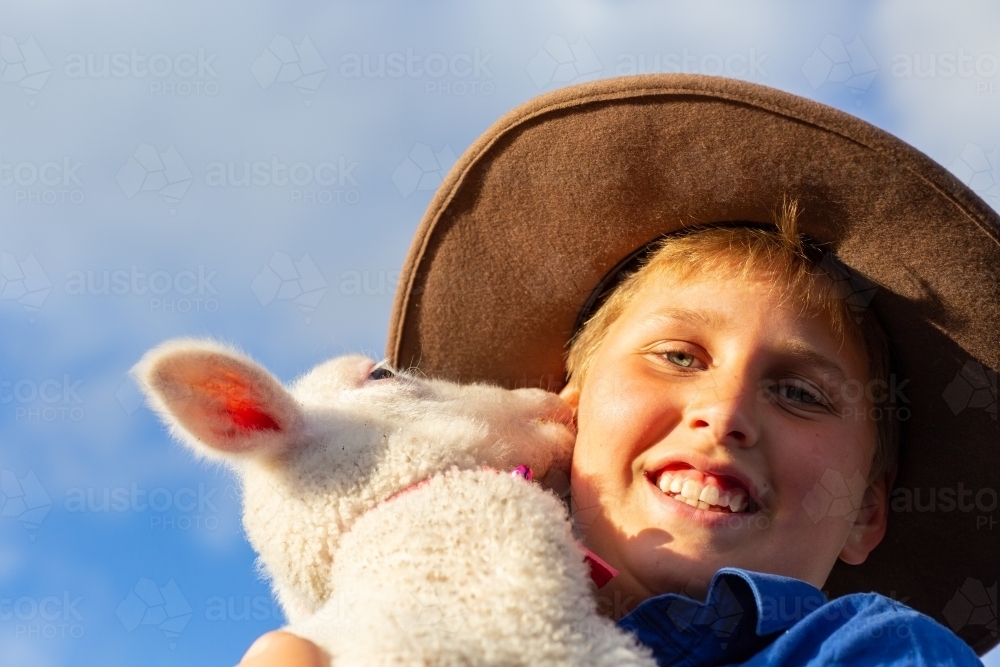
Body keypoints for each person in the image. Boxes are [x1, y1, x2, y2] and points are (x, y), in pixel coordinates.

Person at [237, 75, 999, 665]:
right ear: (564, 413)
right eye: (677, 356)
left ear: (866, 510)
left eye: (799, 392)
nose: (725, 410)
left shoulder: (873, 649)